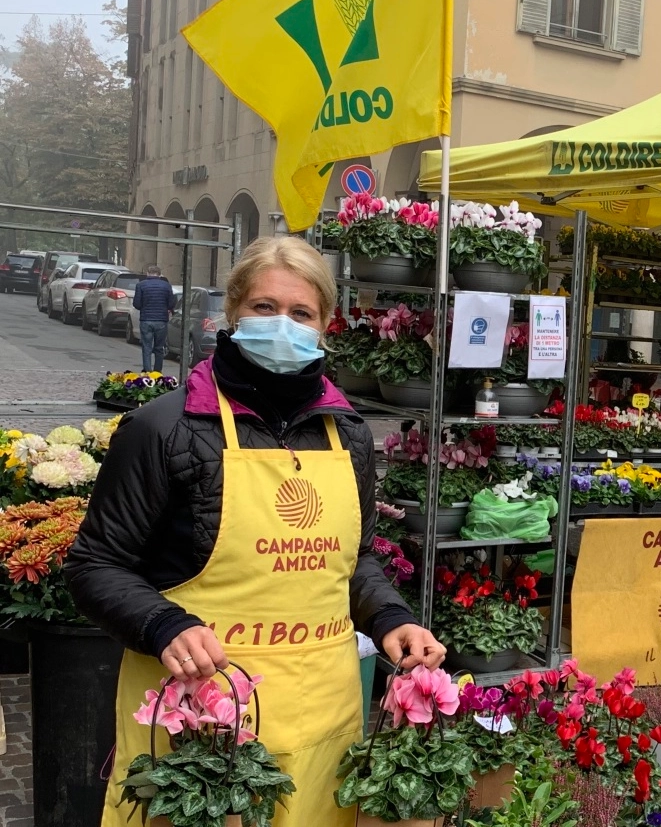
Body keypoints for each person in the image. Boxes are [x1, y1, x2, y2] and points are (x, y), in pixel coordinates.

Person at [66, 236, 445, 827]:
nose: (282, 324)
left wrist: (391, 617)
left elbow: (356, 559)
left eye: (301, 313)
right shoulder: (161, 428)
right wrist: (163, 623)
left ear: (325, 325)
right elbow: (94, 564)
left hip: (323, 715)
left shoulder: (349, 434)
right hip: (199, 725)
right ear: (232, 311)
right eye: (264, 308)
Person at [132, 264, 175, 373]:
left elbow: (136, 304)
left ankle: (147, 371)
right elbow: (171, 303)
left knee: (146, 347)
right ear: (159, 274)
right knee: (159, 348)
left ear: (147, 273)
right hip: (161, 320)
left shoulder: (141, 285)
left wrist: (145, 307)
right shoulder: (166, 286)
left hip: (146, 319)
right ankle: (157, 372)